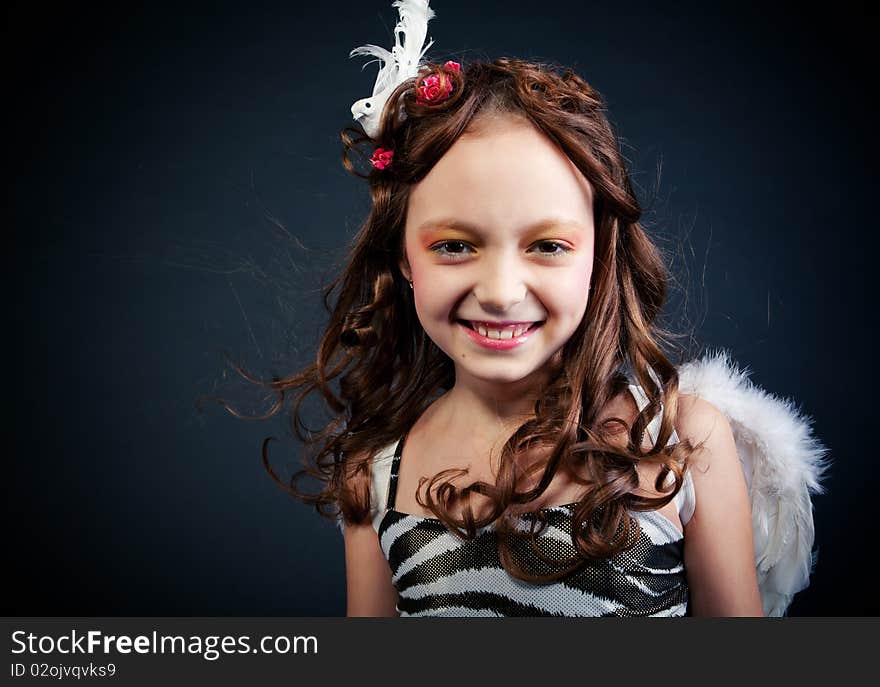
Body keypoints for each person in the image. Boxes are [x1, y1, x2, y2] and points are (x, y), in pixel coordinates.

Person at [223, 0, 824, 617]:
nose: (503, 291)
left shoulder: (680, 441)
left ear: (598, 254)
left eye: (547, 246)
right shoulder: (376, 473)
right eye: (454, 246)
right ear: (403, 257)